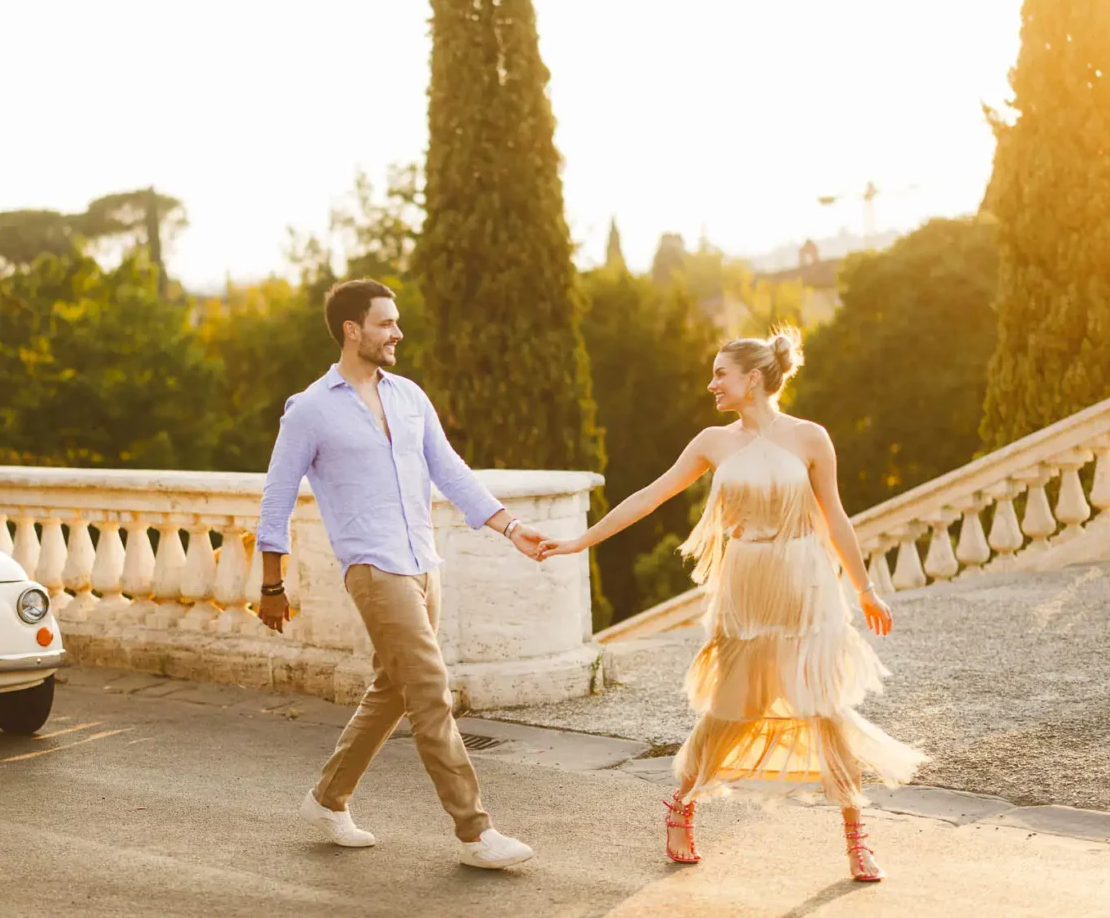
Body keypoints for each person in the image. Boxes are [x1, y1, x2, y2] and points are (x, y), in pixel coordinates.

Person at [540, 328, 923, 883]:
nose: (711, 383)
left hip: (805, 581)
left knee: (825, 708)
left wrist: (864, 589)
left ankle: (856, 839)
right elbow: (650, 497)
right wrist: (580, 541)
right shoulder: (711, 443)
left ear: (753, 379)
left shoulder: (811, 437)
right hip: (744, 584)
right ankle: (683, 806)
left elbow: (835, 516)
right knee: (729, 708)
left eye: (721, 373)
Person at [256, 278, 542, 871]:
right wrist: (271, 584)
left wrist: (510, 527)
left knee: (393, 689)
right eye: (386, 323)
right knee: (430, 692)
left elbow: (451, 471)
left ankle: (327, 799)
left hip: (421, 562)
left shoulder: (409, 396)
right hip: (373, 565)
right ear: (351, 330)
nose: (398, 333)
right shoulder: (309, 410)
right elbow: (277, 496)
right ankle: (474, 831)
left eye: (397, 322)